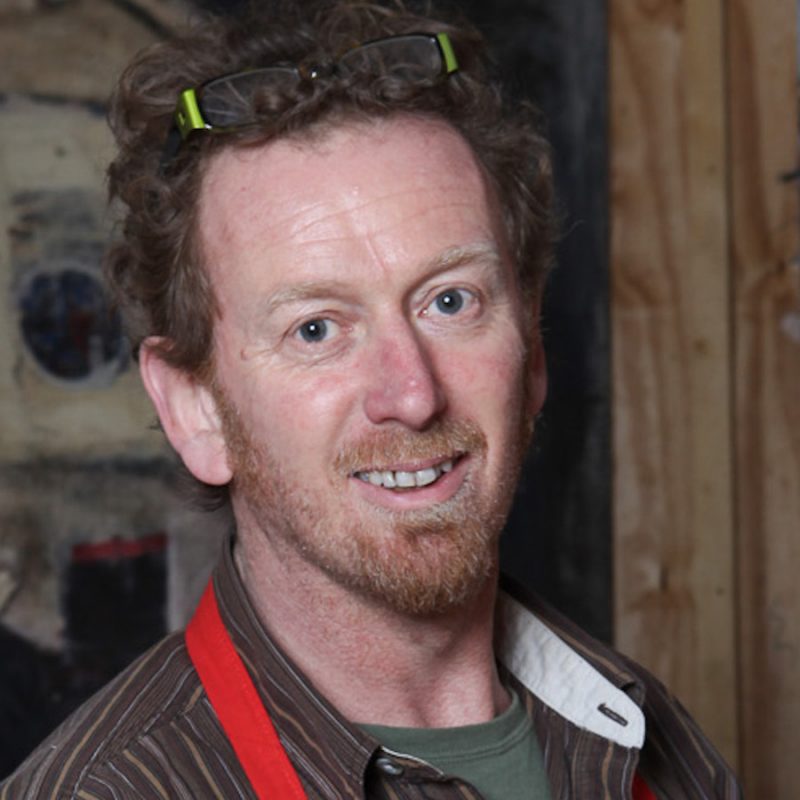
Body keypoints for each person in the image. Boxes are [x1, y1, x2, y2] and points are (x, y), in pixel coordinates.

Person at [1, 2, 740, 798]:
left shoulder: (651, 743)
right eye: (316, 329)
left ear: (531, 344)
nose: (412, 395)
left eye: (450, 301)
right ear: (193, 409)